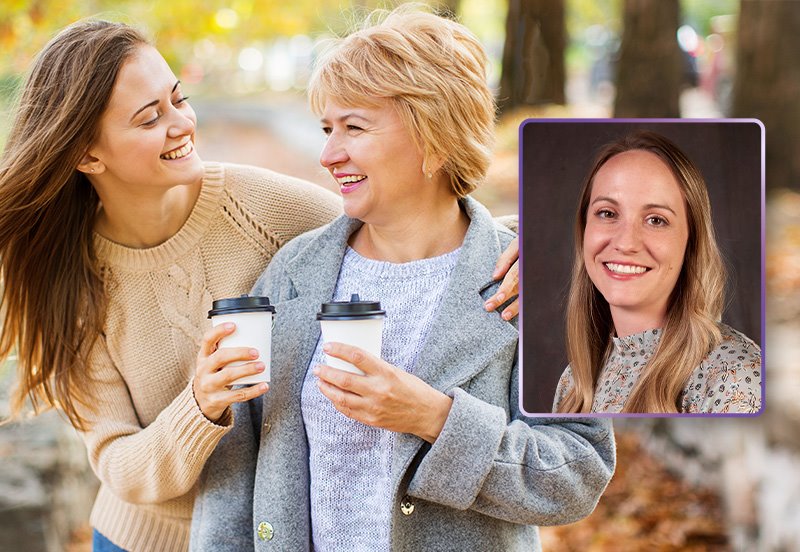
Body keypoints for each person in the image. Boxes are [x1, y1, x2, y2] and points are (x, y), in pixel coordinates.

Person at [0, 18, 520, 552]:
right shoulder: (69, 279)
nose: (181, 123)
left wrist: (536, 243)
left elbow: (412, 223)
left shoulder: (267, 211)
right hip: (144, 536)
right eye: (150, 117)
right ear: (88, 155)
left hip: (265, 528)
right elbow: (119, 466)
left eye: (178, 99)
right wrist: (198, 406)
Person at [191, 6, 615, 551]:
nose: (328, 154)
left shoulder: (530, 280)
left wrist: (436, 419)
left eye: (354, 128)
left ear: (434, 136)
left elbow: (577, 475)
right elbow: (233, 482)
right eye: (327, 128)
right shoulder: (291, 276)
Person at [553, 130, 762, 414]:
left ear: (691, 242)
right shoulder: (575, 384)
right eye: (607, 213)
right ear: (584, 229)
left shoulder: (733, 373)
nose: (626, 243)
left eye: (656, 220)